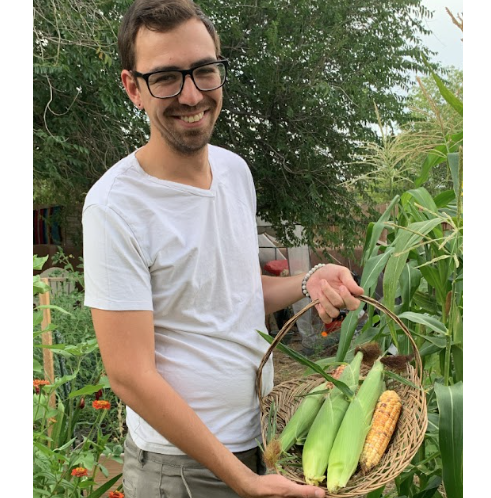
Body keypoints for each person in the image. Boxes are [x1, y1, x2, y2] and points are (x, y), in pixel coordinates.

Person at [82, 1, 364, 497]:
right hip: (183, 468)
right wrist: (241, 481)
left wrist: (306, 281)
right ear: (133, 88)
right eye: (166, 77)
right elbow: (129, 375)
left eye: (204, 71)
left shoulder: (235, 172)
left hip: (259, 437)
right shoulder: (114, 206)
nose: (191, 95)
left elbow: (231, 292)